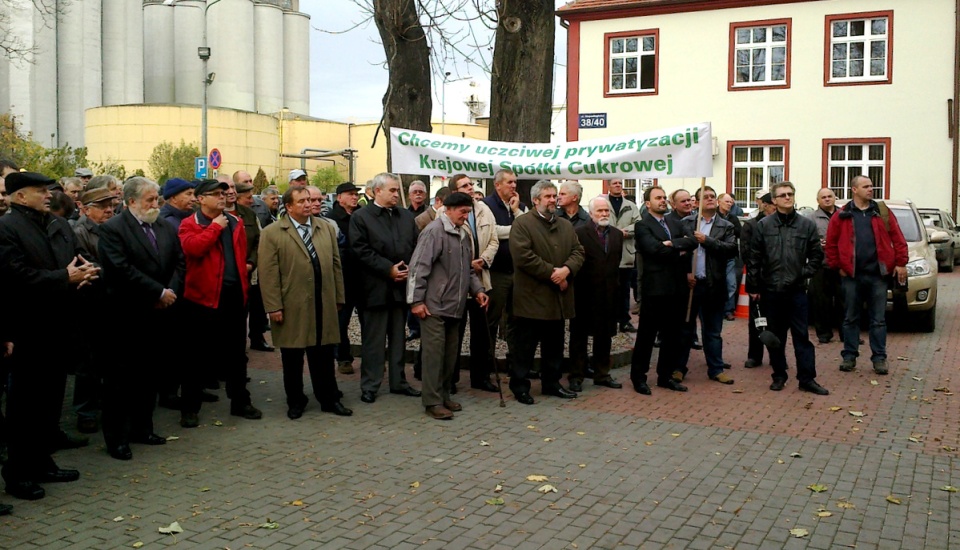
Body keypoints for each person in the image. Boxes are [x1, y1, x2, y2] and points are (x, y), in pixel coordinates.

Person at [0, 172, 98, 500]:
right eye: (39, 191)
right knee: (24, 406)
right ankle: (17, 474)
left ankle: (42, 462)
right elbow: (15, 277)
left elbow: (66, 266)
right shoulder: (7, 228)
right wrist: (63, 278)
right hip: (29, 331)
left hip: (59, 328)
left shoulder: (54, 224)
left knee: (50, 402)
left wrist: (80, 277)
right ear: (19, 196)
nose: (47, 195)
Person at [97, 177, 185, 460]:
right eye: (149, 199)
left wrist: (170, 291)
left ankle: (142, 429)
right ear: (131, 201)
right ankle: (117, 438)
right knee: (121, 381)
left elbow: (179, 262)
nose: (155, 203)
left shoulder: (163, 226)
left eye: (157, 198)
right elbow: (120, 269)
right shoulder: (113, 229)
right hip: (126, 316)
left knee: (149, 376)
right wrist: (158, 292)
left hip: (159, 315)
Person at [259, 186, 351, 419]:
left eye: (310, 200)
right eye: (302, 201)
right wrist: (273, 306)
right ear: (288, 207)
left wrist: (339, 296)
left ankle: (328, 399)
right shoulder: (272, 233)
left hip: (323, 302)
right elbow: (268, 274)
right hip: (292, 304)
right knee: (293, 357)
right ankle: (296, 400)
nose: (309, 204)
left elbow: (336, 265)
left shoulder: (325, 228)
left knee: (323, 354)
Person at [178, 179, 263, 426]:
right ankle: (189, 407)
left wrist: (244, 280)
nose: (222, 198)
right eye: (216, 194)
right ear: (200, 198)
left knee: (237, 354)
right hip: (201, 299)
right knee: (195, 356)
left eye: (224, 193)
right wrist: (214, 227)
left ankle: (240, 402)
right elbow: (193, 249)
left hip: (233, 295)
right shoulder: (189, 224)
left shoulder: (234, 222)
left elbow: (241, 253)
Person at [407, 192, 489, 419]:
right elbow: (418, 268)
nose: (466, 216)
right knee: (434, 356)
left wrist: (478, 290)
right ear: (448, 210)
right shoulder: (433, 232)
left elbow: (469, 270)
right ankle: (432, 401)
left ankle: (443, 395)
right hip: (433, 307)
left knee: (449, 356)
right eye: (462, 212)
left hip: (456, 306)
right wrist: (416, 302)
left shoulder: (463, 234)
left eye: (468, 212)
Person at [746, 181, 829, 395]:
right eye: (782, 195)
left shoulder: (806, 225)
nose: (787, 197)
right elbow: (754, 258)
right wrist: (753, 287)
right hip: (771, 291)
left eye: (790, 194)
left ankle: (807, 379)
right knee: (776, 338)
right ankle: (779, 375)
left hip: (797, 291)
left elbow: (817, 255)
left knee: (802, 337)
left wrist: (804, 273)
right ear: (773, 200)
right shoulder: (764, 225)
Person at [508, 179, 584, 405]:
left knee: (554, 346)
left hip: (557, 300)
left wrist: (567, 270)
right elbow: (523, 257)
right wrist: (554, 274)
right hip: (531, 298)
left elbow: (578, 251)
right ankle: (520, 387)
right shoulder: (522, 224)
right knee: (525, 348)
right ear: (535, 200)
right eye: (548, 196)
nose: (554, 200)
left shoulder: (565, 225)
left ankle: (552, 383)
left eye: (555, 196)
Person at [825, 175, 908, 376]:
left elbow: (898, 238)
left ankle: (879, 359)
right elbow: (831, 243)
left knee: (878, 320)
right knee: (850, 318)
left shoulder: (882, 212)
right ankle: (849, 357)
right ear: (854, 189)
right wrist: (838, 267)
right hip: (851, 276)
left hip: (877, 276)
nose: (871, 189)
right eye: (866, 186)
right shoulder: (842, 214)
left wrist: (900, 263)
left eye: (871, 186)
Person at [349, 172, 421, 404]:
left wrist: (407, 268)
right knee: (374, 341)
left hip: (401, 287)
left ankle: (398, 382)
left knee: (398, 339)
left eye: (397, 191)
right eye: (392, 190)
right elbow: (360, 250)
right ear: (376, 191)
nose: (396, 194)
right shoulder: (361, 217)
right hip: (374, 289)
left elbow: (415, 244)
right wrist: (388, 269)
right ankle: (370, 384)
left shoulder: (405, 216)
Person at [630, 187, 698, 394]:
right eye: (657, 198)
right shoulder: (642, 225)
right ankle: (639, 378)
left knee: (672, 335)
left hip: (677, 288)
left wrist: (671, 244)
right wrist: (678, 250)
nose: (662, 201)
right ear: (648, 203)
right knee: (647, 336)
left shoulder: (676, 223)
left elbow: (693, 242)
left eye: (663, 197)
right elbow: (653, 249)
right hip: (655, 289)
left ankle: (665, 376)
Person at [678, 186, 738, 385]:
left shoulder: (726, 225)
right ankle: (679, 368)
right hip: (691, 285)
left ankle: (716, 369)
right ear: (697, 202)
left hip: (713, 284)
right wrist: (686, 272)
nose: (710, 199)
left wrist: (707, 241)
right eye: (706, 197)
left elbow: (731, 250)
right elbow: (677, 250)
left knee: (712, 331)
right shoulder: (686, 223)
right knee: (685, 329)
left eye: (713, 196)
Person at [445, 174, 499, 393]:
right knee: (454, 333)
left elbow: (494, 239)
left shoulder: (484, 209)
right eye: (464, 186)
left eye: (471, 184)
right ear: (453, 191)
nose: (470, 188)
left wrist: (484, 260)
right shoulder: (445, 213)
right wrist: (467, 264)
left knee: (482, 333)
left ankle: (481, 377)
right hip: (457, 282)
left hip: (481, 278)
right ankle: (450, 378)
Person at [70, 187, 116, 435]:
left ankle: (100, 403)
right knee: (88, 361)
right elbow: (88, 266)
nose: (109, 209)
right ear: (86, 210)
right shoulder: (78, 231)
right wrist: (120, 270)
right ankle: (85, 411)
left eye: (110, 204)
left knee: (106, 358)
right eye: (102, 205)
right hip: (90, 303)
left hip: (111, 301)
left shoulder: (113, 227)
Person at [568, 196, 624, 392]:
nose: (604, 214)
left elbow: (615, 264)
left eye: (606, 211)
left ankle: (602, 374)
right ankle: (576, 375)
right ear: (591, 214)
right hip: (584, 294)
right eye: (599, 211)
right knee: (579, 337)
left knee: (604, 337)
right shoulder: (579, 234)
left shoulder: (617, 235)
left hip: (609, 294)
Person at [482, 169, 527, 380]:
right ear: (498, 185)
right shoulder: (486, 205)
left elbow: (528, 227)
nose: (514, 186)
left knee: (516, 320)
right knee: (491, 320)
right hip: (496, 273)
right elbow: (493, 231)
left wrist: (517, 212)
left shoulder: (518, 205)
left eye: (515, 182)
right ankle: (486, 365)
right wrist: (516, 228)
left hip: (516, 272)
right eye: (509, 182)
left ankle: (515, 364)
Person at [326, 182, 362, 375]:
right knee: (341, 321)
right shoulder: (331, 220)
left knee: (369, 322)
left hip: (364, 279)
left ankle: (373, 359)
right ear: (339, 197)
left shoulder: (363, 215)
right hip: (343, 279)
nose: (355, 197)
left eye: (356, 194)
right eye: (350, 194)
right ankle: (343, 357)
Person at [740, 192, 776, 368]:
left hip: (778, 280)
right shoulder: (751, 225)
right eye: (773, 206)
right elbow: (746, 254)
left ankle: (776, 356)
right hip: (758, 279)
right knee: (757, 320)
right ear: (766, 206)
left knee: (777, 321)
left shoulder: (782, 224)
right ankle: (755, 355)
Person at [805, 188, 841, 343]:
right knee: (821, 302)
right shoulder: (811, 219)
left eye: (829, 196)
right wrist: (818, 244)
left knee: (845, 301)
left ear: (835, 198)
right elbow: (807, 241)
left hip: (842, 266)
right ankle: (824, 334)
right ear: (818, 201)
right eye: (823, 197)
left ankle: (847, 334)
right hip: (821, 265)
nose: (827, 199)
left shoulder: (844, 215)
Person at [606, 179, 641, 333]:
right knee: (608, 289)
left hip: (626, 253)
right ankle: (609, 319)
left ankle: (624, 321)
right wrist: (615, 234)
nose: (618, 185)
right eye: (615, 183)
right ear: (608, 186)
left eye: (620, 183)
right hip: (606, 254)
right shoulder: (602, 203)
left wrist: (623, 232)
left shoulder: (631, 206)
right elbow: (596, 222)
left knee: (625, 290)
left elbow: (638, 224)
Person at [717, 193, 743, 321]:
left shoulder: (733, 218)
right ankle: (716, 309)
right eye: (727, 201)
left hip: (729, 256)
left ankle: (729, 309)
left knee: (731, 283)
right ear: (719, 202)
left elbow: (739, 233)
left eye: (731, 202)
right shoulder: (714, 215)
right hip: (715, 255)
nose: (729, 204)